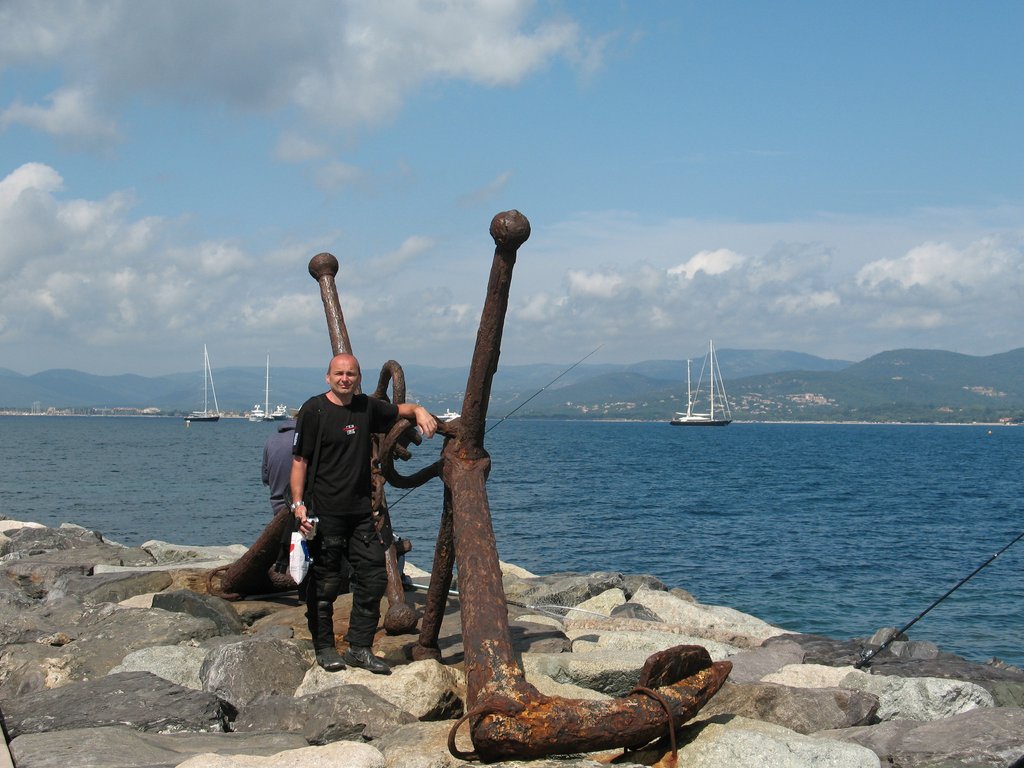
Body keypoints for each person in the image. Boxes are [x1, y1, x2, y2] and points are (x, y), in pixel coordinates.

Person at [290, 353, 437, 673]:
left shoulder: (366, 408)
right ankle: (325, 647)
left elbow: (401, 410)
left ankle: (359, 647)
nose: (345, 379)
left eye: (351, 374)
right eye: (339, 374)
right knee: (325, 583)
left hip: (360, 513)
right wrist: (298, 505)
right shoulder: (314, 410)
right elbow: (300, 462)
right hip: (323, 512)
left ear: (358, 378)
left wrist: (419, 411)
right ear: (328, 377)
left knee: (373, 577)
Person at [262, 418, 296, 515]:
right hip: (303, 508)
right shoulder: (308, 438)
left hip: (277, 507)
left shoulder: (271, 439)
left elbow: (265, 478)